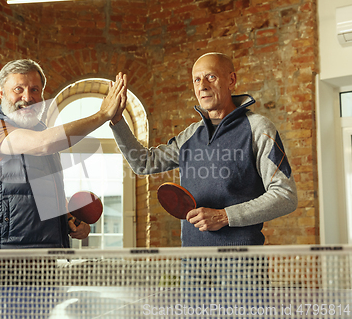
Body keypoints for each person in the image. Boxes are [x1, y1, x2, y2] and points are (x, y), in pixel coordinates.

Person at [110, 52, 297, 247]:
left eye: (211, 77)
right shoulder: (191, 134)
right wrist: (117, 121)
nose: (202, 86)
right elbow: (143, 163)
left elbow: (285, 195)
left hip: (241, 267)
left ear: (231, 80)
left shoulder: (258, 128)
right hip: (194, 264)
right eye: (196, 80)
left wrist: (225, 216)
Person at [0, 59, 125, 249]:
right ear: (1, 91)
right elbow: (42, 144)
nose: (27, 98)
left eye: (35, 90)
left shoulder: (43, 135)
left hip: (44, 258)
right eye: (18, 89)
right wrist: (102, 115)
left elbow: (46, 192)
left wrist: (70, 220)